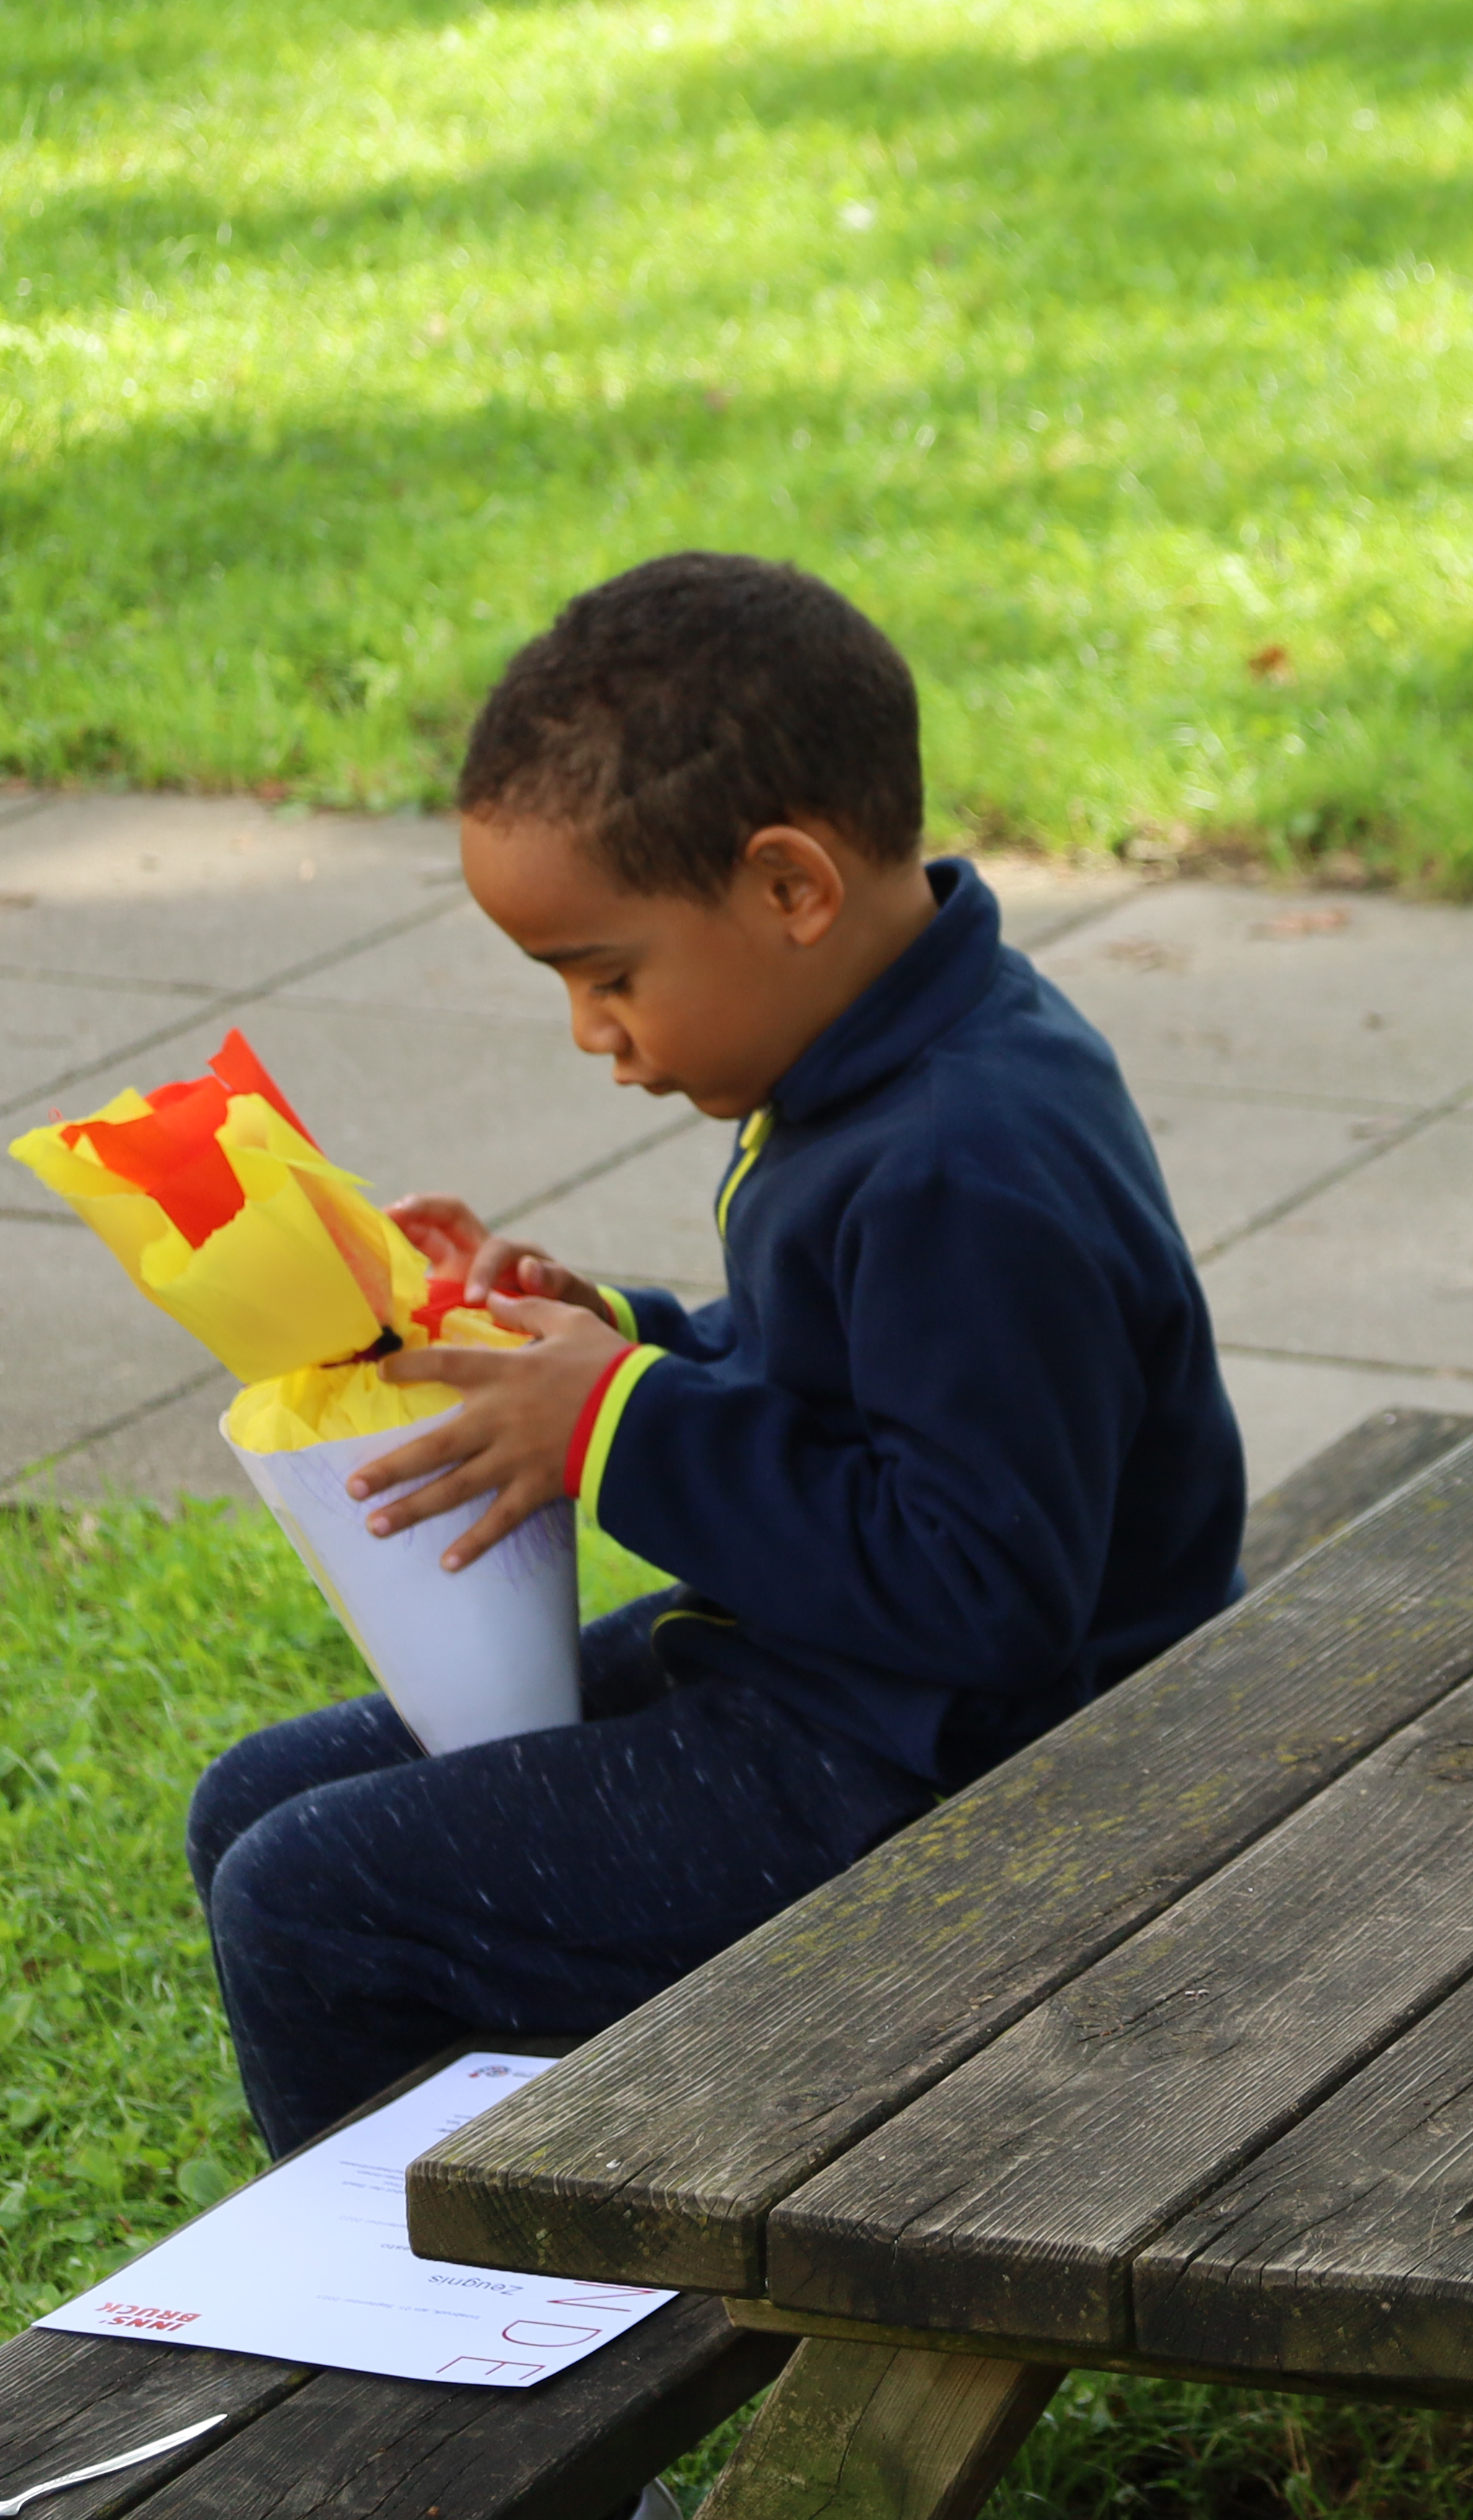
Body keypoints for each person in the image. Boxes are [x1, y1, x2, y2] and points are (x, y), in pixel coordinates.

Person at [184, 554, 1246, 2152]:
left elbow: (987, 1595)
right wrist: (607, 1335)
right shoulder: (894, 1063)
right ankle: (553, 2170)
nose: (591, 1031)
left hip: (980, 1773)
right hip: (849, 1692)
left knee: (308, 1896)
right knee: (250, 1801)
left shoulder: (965, 1159)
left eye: (609, 974)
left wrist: (617, 1426)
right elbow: (841, 1383)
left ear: (791, 889)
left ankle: (429, 2356)